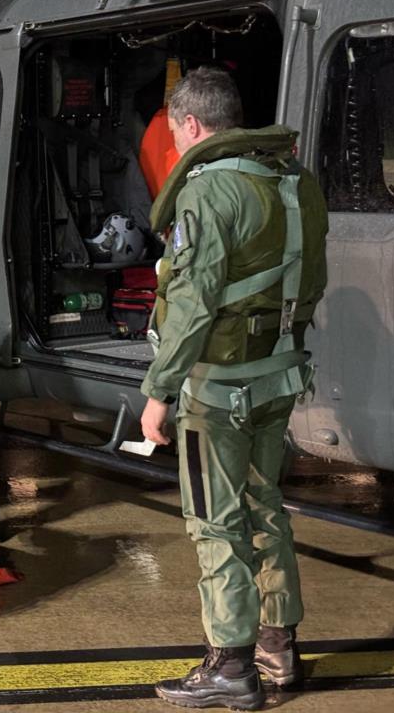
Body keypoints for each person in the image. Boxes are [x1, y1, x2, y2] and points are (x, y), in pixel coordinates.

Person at [139, 67, 328, 710]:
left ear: (191, 125)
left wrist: (159, 392)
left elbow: (191, 306)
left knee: (215, 523)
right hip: (280, 374)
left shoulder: (208, 191)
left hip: (218, 390)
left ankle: (230, 666)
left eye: (174, 134)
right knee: (265, 506)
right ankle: (279, 645)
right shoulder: (296, 180)